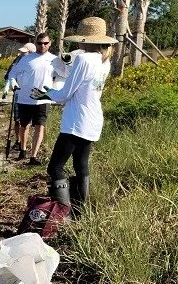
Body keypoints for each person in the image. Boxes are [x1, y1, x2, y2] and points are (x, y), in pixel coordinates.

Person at [31, 17, 115, 215]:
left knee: (55, 167)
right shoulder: (105, 60)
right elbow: (78, 82)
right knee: (80, 164)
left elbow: (65, 94)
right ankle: (80, 214)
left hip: (77, 120)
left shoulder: (85, 59)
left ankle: (63, 213)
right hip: (93, 119)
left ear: (85, 40)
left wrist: (46, 93)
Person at [11, 32, 67, 165]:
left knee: (40, 126)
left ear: (50, 44)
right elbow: (13, 72)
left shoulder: (54, 60)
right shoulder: (25, 59)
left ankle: (33, 156)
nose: (42, 45)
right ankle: (23, 150)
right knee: (24, 125)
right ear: (35, 43)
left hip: (43, 98)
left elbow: (65, 74)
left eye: (45, 43)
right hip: (25, 98)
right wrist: (12, 82)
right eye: (40, 43)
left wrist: (66, 63)